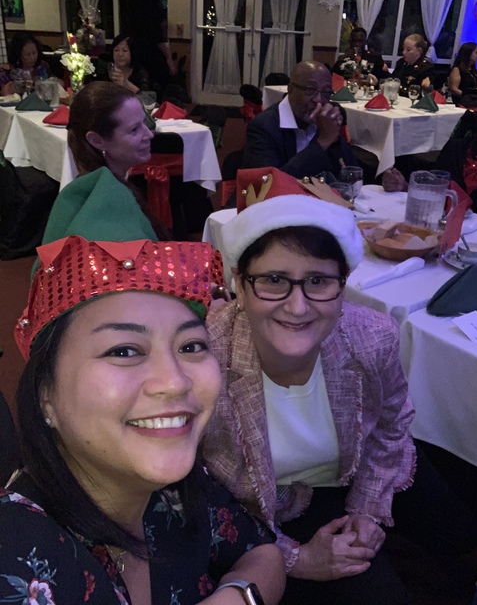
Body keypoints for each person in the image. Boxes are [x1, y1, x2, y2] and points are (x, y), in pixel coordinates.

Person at [202, 177, 477, 604]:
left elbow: (392, 423)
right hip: (265, 505)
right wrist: (295, 558)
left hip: (361, 464)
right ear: (239, 283)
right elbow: (195, 496)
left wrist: (367, 508)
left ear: (343, 283)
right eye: (274, 280)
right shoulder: (205, 358)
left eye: (318, 281)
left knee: (463, 533)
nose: (297, 307)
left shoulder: (372, 337)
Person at [0, 234, 285, 603]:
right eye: (124, 351)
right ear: (45, 395)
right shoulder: (16, 556)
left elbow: (263, 554)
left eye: (191, 346)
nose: (175, 382)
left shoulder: (169, 487)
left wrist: (234, 597)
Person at [42, 81, 170, 243]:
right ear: (97, 140)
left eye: (144, 123)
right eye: (134, 129)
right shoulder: (105, 202)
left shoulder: (99, 185)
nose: (149, 135)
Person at [242, 61, 359, 179]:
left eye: (326, 92)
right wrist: (323, 141)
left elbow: (352, 177)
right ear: (291, 90)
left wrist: (335, 139)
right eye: (310, 90)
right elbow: (272, 183)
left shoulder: (324, 121)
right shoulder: (263, 126)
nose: (319, 100)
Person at [130, 0, 176, 101]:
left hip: (140, 47)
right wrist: (168, 58)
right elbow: (154, 28)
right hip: (149, 50)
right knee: (159, 88)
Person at [0, 31, 50, 96]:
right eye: (28, 54)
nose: (32, 57)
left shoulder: (42, 66)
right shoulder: (7, 72)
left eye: (34, 53)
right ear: (19, 55)